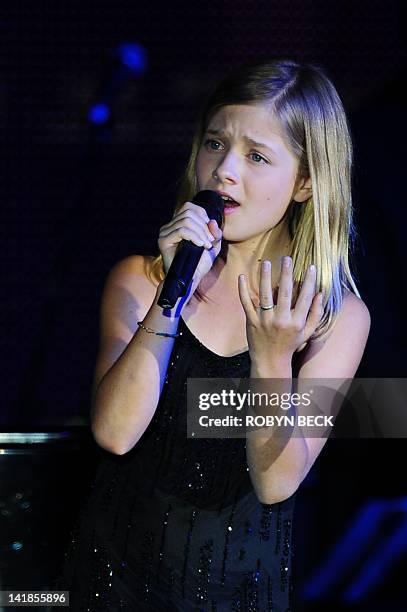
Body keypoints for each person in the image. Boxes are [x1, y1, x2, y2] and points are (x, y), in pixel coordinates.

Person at [56, 57, 370, 611]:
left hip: (239, 593)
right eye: (214, 144)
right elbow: (114, 433)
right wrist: (171, 297)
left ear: (303, 182)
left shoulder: (333, 318)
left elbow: (277, 483)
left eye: (256, 156)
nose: (225, 170)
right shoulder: (140, 280)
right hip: (113, 585)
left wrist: (272, 359)